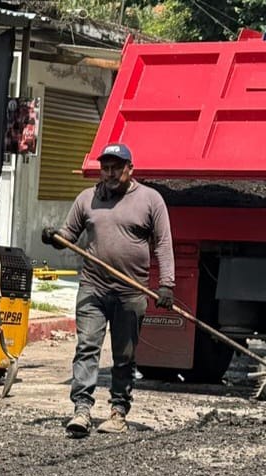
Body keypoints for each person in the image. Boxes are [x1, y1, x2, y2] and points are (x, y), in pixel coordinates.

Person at [42, 142, 175, 438]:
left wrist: (166, 284)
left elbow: (163, 244)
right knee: (87, 347)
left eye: (117, 167)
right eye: (106, 168)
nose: (111, 173)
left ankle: (118, 412)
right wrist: (53, 237)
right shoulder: (87, 199)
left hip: (131, 291)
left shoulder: (150, 200)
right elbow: (68, 235)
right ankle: (82, 410)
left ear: (130, 169)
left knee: (124, 355)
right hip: (93, 286)